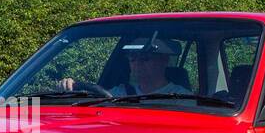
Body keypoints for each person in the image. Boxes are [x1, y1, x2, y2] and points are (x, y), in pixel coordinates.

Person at [59, 35, 191, 96]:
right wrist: (71, 86)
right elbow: (92, 101)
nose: (137, 63)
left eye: (145, 58)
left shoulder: (182, 97)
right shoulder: (118, 93)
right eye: (132, 58)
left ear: (164, 60)